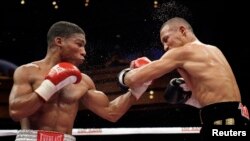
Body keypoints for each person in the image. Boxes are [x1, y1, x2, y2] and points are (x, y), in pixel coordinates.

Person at [8, 21, 148, 141]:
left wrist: (138, 88)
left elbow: (111, 113)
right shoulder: (27, 71)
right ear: (59, 41)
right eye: (79, 44)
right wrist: (50, 85)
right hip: (33, 138)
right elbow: (16, 112)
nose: (84, 52)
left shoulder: (83, 81)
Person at [118, 17, 249, 139]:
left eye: (166, 39)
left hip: (221, 124)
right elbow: (217, 97)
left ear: (182, 31)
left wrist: (125, 75)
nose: (165, 47)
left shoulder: (181, 52)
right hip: (238, 123)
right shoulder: (214, 50)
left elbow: (133, 79)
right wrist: (186, 94)